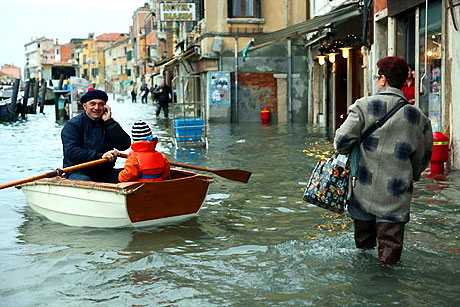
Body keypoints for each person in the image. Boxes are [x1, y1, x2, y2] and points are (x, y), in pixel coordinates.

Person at [333, 56, 433, 265]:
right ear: (404, 81)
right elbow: (422, 159)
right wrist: (411, 176)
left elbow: (340, 142)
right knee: (390, 257)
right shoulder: (417, 117)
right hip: (396, 194)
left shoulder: (362, 106)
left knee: (363, 252)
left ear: (384, 80)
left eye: (378, 77)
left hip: (362, 190)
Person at [61, 89, 131, 183]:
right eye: (92, 104)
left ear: (105, 107)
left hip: (105, 172)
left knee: (133, 174)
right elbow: (71, 151)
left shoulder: (109, 124)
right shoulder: (73, 125)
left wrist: (109, 123)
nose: (97, 108)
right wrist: (100, 156)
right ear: (85, 106)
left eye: (101, 104)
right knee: (86, 181)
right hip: (78, 172)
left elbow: (124, 145)